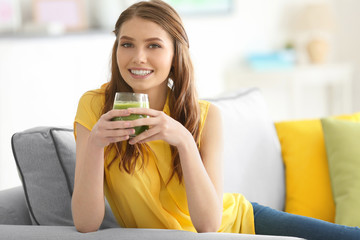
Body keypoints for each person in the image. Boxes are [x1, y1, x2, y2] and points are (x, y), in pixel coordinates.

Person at [71, 1, 360, 239]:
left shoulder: (206, 116)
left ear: (174, 54)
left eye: (154, 46)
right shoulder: (96, 107)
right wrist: (97, 144)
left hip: (241, 222)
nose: (138, 57)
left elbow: (209, 224)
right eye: (127, 44)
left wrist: (183, 139)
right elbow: (86, 224)